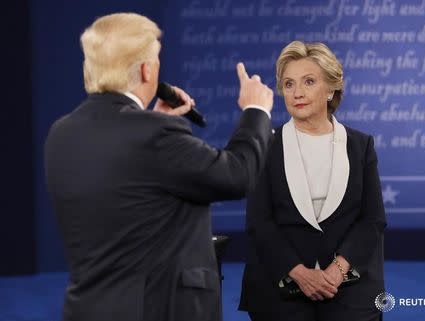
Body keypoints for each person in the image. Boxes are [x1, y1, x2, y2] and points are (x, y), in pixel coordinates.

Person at [45, 13, 273, 321]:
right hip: (160, 310)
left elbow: (130, 190)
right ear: (146, 70)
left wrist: (157, 119)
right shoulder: (152, 134)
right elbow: (236, 175)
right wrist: (255, 110)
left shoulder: (62, 133)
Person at [239, 40, 386, 321]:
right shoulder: (266, 145)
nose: (297, 93)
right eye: (289, 84)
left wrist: (337, 271)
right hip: (281, 291)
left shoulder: (360, 145)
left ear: (331, 89)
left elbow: (373, 220)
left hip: (349, 292)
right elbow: (259, 221)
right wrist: (300, 273)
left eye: (309, 82)